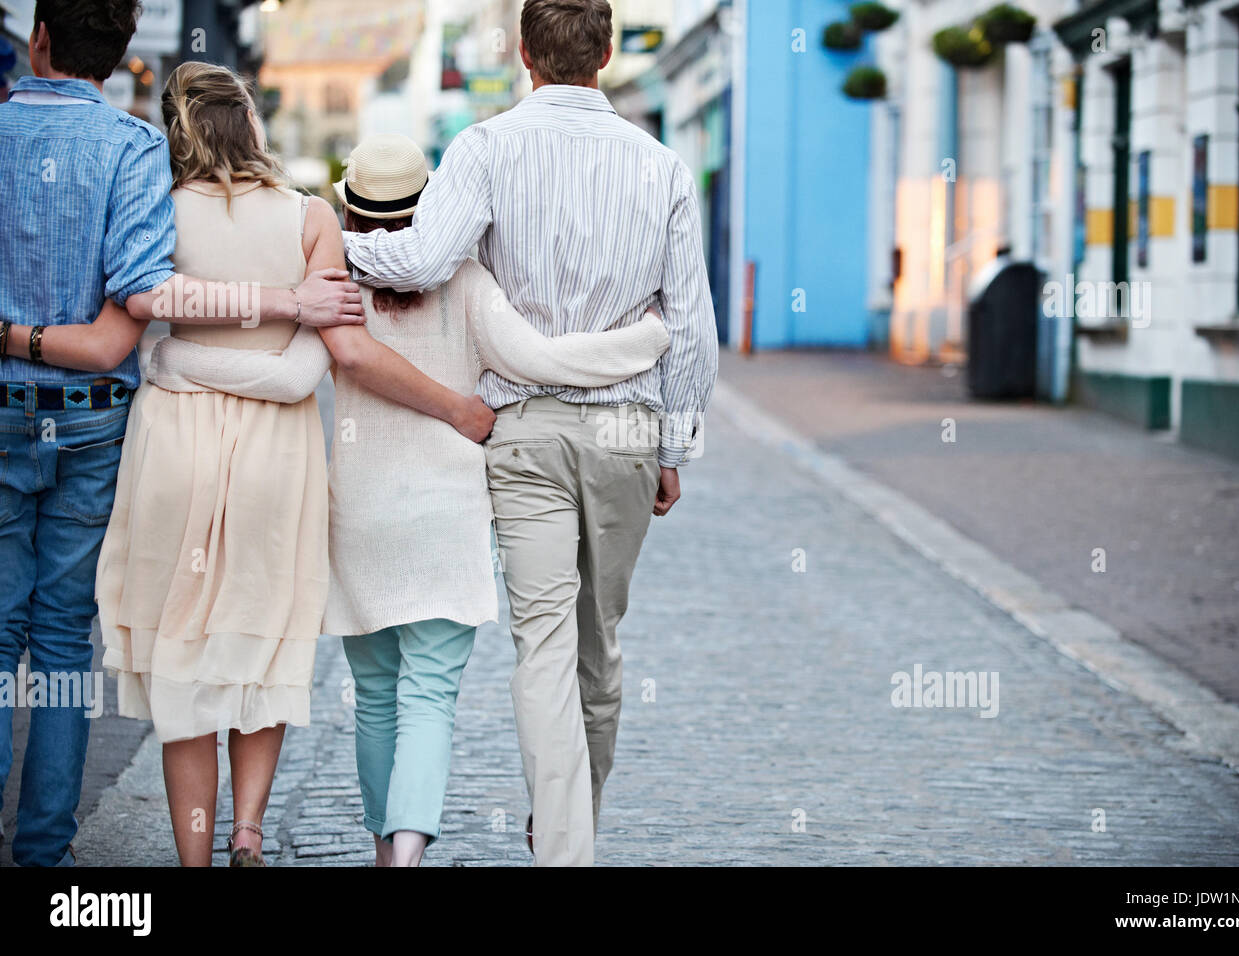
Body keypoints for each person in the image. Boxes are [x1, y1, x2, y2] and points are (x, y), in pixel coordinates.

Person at [148, 134, 670, 865]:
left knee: (375, 695)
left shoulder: (337, 287)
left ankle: (375, 841)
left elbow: (287, 376)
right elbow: (541, 360)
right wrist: (643, 341)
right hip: (447, 519)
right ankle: (405, 854)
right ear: (430, 208)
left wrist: (166, 356)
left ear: (349, 212)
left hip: (359, 516)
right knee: (430, 694)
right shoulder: (467, 283)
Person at [343, 0, 720, 866]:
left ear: (523, 54)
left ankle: (562, 842)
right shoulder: (661, 166)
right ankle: (571, 817)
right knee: (600, 643)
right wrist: (674, 449)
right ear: (609, 53)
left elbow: (425, 260)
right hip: (628, 428)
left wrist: (335, 248)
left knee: (543, 643)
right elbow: (691, 325)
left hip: (523, 432)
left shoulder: (484, 147)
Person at [0, 0, 357, 868]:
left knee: (171, 653)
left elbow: (149, 307)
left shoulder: (160, 193)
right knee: (240, 640)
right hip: (215, 446)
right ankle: (219, 836)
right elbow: (293, 366)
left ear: (37, 37)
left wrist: (170, 368)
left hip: (158, 442)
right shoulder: (295, 214)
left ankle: (189, 857)